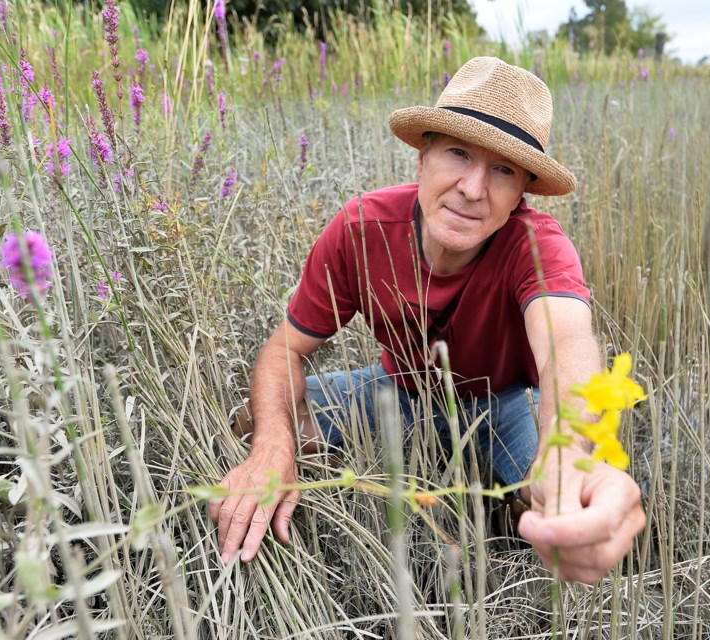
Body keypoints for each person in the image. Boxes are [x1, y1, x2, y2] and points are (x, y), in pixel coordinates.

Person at [208, 56, 646, 585]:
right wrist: (273, 449)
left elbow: (566, 345)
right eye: (458, 153)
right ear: (423, 157)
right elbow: (284, 351)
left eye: (503, 170)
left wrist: (565, 455)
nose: (473, 187)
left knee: (557, 513)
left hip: (501, 402)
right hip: (400, 389)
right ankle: (320, 516)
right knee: (254, 423)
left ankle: (507, 511)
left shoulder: (537, 244)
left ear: (521, 193)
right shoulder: (361, 227)